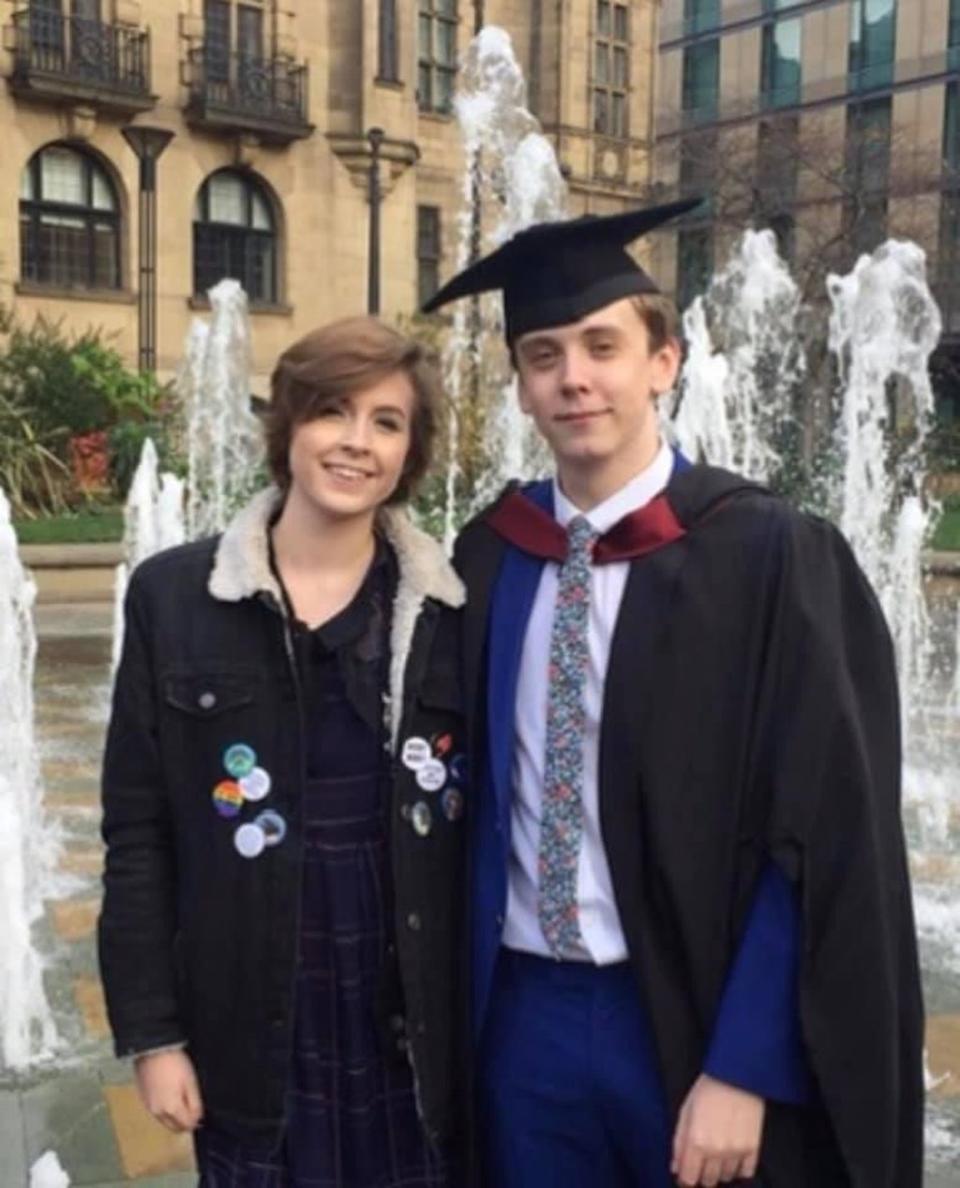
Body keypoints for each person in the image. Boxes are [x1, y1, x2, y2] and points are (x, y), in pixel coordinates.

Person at [423, 201, 925, 1187]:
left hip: (687, 1014)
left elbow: (822, 836)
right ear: (521, 387)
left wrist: (747, 1062)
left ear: (665, 361)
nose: (574, 378)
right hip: (518, 1012)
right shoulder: (487, 558)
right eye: (543, 354)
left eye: (602, 346)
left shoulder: (770, 556)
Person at [99, 316, 469, 1187]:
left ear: (411, 452)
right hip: (249, 1006)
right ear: (289, 425)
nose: (356, 442)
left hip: (406, 1000)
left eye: (387, 422)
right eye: (331, 412)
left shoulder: (450, 607)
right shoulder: (177, 599)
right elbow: (139, 831)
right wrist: (155, 1036)